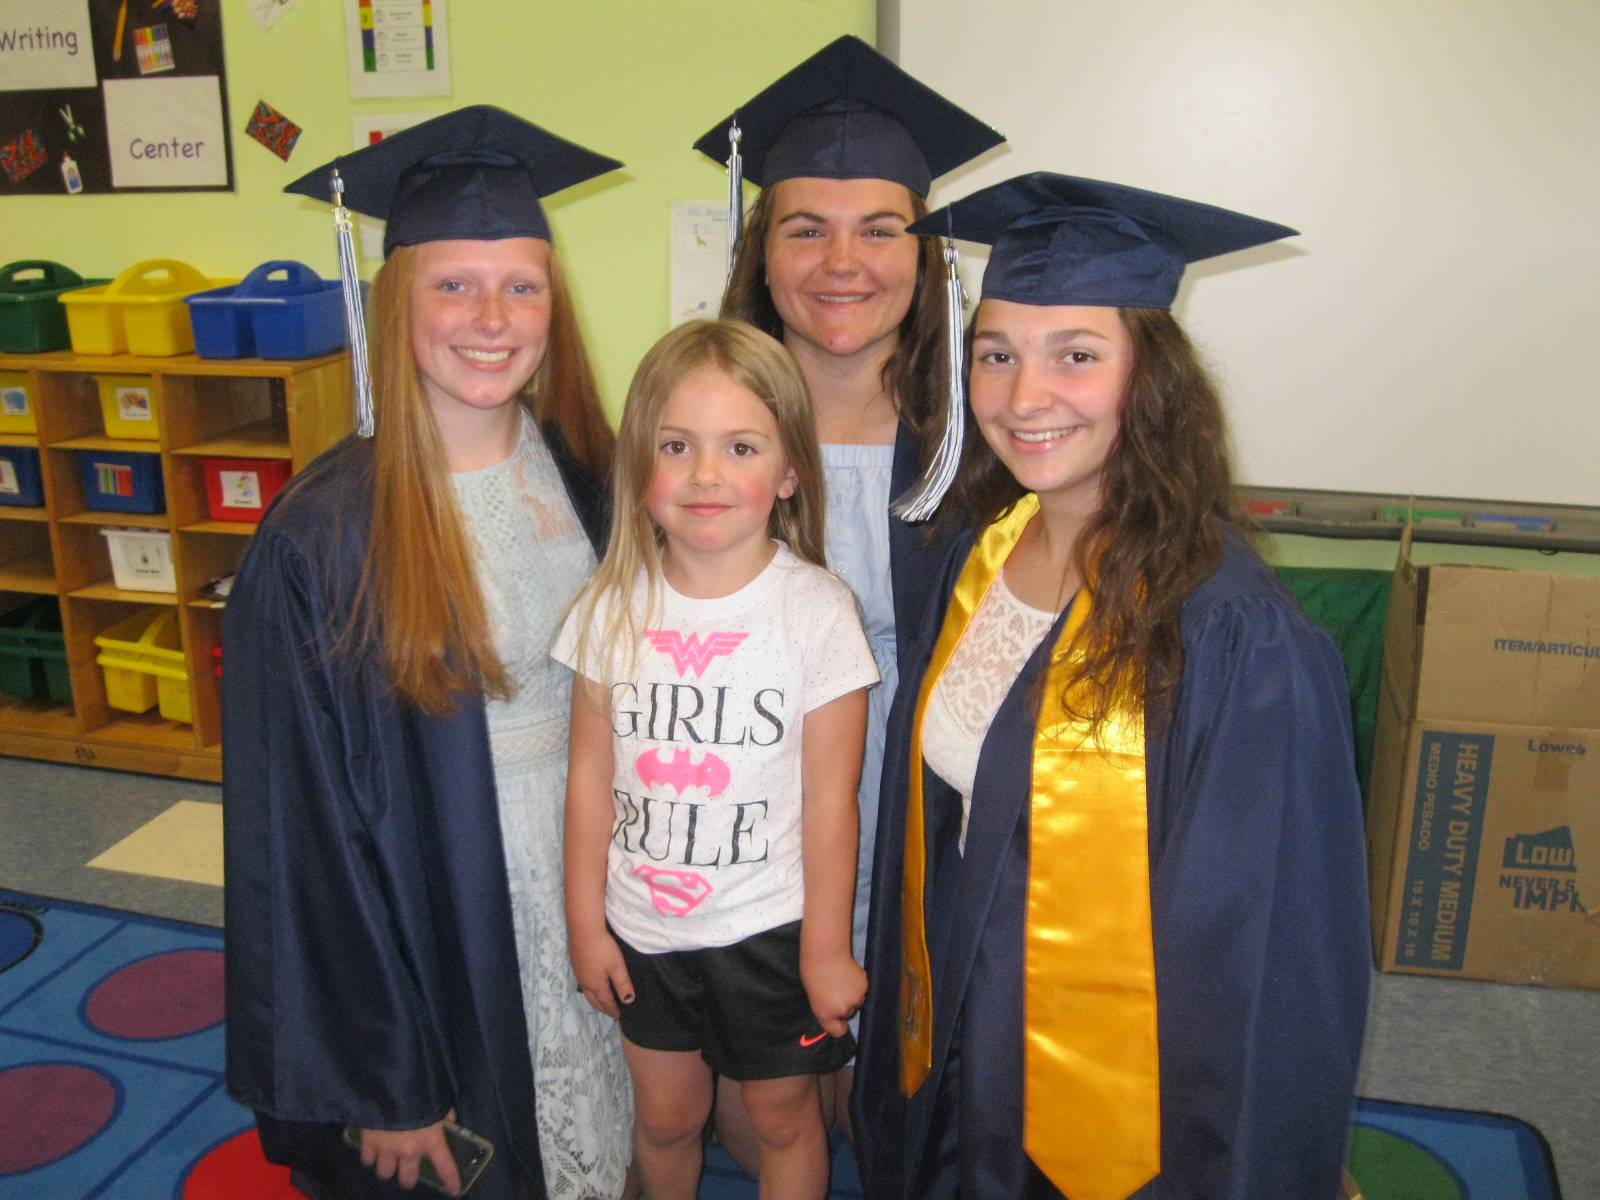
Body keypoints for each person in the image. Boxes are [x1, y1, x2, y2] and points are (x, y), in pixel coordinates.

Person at [852, 173, 1372, 1199]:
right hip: (957, 1025)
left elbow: (1268, 968)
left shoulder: (1232, 636)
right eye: (994, 354)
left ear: (1151, 378)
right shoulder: (975, 558)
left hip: (1119, 1106)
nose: (1022, 396)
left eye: (1075, 356)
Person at [222, 106, 634, 1200]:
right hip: (438, 914)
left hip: (583, 888)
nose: (491, 318)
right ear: (396, 300)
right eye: (454, 284)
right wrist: (383, 1076)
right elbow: (298, 836)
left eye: (522, 285)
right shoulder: (323, 538)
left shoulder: (589, 479)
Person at [693, 34, 1004, 1154]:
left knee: (903, 1099)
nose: (843, 261)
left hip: (920, 814)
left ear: (926, 258)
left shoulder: (983, 446)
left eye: (881, 229)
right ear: (760, 251)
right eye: (804, 227)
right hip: (745, 811)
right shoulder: (699, 441)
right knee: (763, 1117)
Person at [553, 319, 879, 1200]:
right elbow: (588, 780)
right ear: (639, 468)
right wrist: (586, 925)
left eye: (740, 446)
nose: (705, 474)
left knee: (783, 1120)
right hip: (645, 932)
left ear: (788, 472)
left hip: (768, 934)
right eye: (676, 446)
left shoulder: (817, 611)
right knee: (664, 1120)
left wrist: (824, 949)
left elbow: (830, 802)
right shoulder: (608, 606)